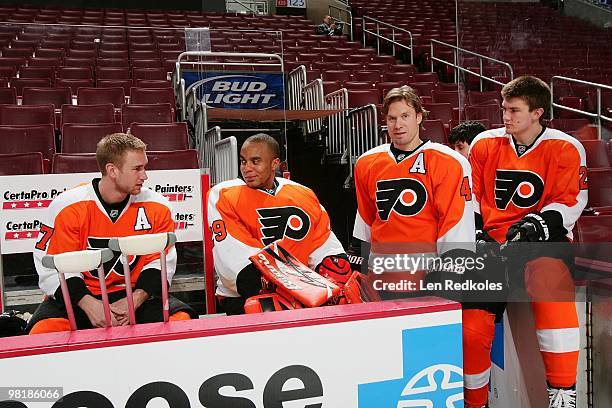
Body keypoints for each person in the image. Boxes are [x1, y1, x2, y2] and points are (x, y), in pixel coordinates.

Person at [465, 76, 587, 408]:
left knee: (550, 285)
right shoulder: (484, 144)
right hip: (492, 243)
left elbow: (570, 201)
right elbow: (472, 197)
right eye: (504, 109)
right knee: (472, 322)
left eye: (514, 110)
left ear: (537, 112)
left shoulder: (565, 146)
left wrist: (534, 225)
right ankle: (475, 402)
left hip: (543, 243)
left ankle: (563, 394)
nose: (506, 116)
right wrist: (477, 232)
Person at [28, 133, 196, 334]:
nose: (145, 175)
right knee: (43, 331)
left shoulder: (157, 206)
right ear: (112, 170)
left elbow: (159, 261)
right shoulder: (67, 207)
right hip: (81, 296)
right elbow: (54, 264)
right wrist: (90, 305)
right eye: (137, 169)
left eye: (145, 167)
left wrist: (135, 299)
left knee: (181, 321)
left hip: (134, 294)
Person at [352, 85, 476, 297]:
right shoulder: (366, 162)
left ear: (419, 117)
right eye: (391, 118)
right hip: (380, 276)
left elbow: (455, 223)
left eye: (405, 116)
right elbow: (365, 218)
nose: (398, 124)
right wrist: (357, 264)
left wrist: (448, 275)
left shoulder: (450, 162)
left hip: (426, 275)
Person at [208, 133, 350, 315]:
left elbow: (323, 243)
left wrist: (332, 277)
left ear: (275, 164)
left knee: (341, 281)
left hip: (305, 293)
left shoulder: (302, 193)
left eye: (255, 161)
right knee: (263, 306)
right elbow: (236, 265)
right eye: (243, 161)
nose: (247, 168)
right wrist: (296, 291)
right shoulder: (223, 194)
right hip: (249, 296)